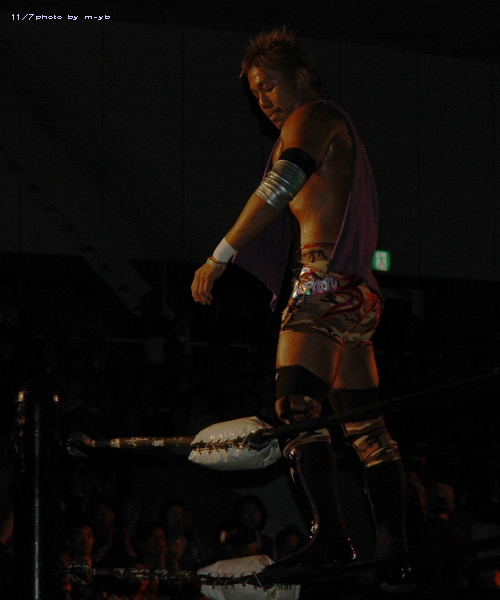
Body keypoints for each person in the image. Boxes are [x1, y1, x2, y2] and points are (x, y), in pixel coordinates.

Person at [191, 27, 411, 592]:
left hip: (325, 286)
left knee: (295, 408)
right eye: (255, 93)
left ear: (303, 77)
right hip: (356, 295)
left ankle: (331, 535)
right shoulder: (334, 126)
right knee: (366, 431)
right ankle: (394, 550)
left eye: (270, 85)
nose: (264, 101)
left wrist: (220, 255)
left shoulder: (313, 117)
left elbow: (277, 187)